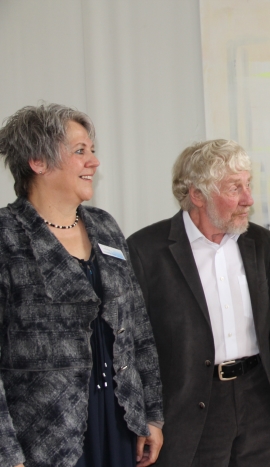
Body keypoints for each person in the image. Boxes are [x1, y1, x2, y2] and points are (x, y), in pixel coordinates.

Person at [0, 104, 164, 467]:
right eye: (80, 151)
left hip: (119, 423)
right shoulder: (7, 236)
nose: (94, 162)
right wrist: (7, 454)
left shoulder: (104, 227)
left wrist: (151, 415)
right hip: (44, 439)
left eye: (92, 151)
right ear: (37, 161)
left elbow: (138, 330)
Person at [126, 139, 270, 466]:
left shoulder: (259, 242)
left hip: (257, 398)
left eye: (248, 185)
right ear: (197, 195)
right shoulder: (145, 250)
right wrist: (146, 417)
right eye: (235, 188)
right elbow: (133, 346)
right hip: (191, 405)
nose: (248, 199)